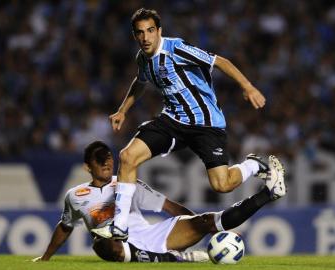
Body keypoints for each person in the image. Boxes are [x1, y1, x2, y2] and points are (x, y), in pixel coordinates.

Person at [91, 8, 286, 240]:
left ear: (159, 31)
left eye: (150, 31)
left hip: (206, 124)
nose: (145, 37)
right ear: (135, 36)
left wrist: (248, 86)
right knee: (127, 156)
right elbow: (140, 81)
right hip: (172, 121)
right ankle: (120, 227)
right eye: (140, 33)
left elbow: (219, 61)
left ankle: (254, 164)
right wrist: (123, 110)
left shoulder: (176, 49)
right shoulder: (142, 59)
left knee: (222, 185)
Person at [33, 141, 286, 263]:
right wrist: (45, 258)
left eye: (109, 158)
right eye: (101, 160)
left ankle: (269, 193)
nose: (108, 163)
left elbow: (168, 207)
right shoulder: (75, 196)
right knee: (102, 244)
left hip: (152, 235)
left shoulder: (127, 183)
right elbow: (66, 226)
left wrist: (198, 225)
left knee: (209, 220)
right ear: (88, 167)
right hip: (119, 245)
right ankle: (175, 259)